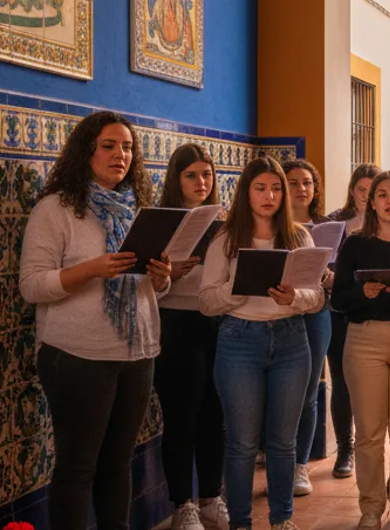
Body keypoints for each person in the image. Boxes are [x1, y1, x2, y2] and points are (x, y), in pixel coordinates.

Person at [20, 111, 172, 529]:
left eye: (127, 147)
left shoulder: (138, 209)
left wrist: (162, 277)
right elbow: (32, 285)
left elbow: (150, 287)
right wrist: (92, 269)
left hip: (136, 352)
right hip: (76, 355)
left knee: (117, 462)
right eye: (109, 145)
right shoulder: (57, 209)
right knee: (77, 468)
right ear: (86, 150)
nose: (120, 154)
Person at [200, 157, 325, 530]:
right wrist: (236, 291)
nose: (269, 195)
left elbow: (316, 296)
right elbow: (206, 303)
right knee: (241, 443)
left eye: (275, 188)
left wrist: (295, 299)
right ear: (246, 193)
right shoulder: (226, 240)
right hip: (239, 341)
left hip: (291, 341)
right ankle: (240, 523)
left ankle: (281, 520)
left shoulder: (299, 236)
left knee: (283, 442)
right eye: (260, 188)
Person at [332, 171, 390, 530]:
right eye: (381, 195)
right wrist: (363, 294)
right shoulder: (355, 244)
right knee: (369, 432)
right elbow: (338, 299)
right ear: (371, 202)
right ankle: (371, 506)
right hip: (363, 340)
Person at [156, 144, 229, 530]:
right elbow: (146, 284)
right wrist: (172, 274)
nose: (201, 182)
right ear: (176, 179)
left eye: (206, 174)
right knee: (182, 418)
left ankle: (211, 497)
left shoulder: (223, 223)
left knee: (215, 416)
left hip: (216, 322)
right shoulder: (162, 221)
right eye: (191, 175)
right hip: (176, 324)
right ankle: (182, 503)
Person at [325, 163, 382, 479]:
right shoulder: (335, 222)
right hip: (338, 314)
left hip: (371, 315)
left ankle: (368, 446)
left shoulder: (387, 223)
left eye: (373, 190)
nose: (366, 195)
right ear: (353, 191)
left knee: (370, 384)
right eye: (362, 189)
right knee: (342, 382)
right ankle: (345, 449)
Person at [282, 159, 333, 497]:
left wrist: (331, 276)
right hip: (280, 312)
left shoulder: (329, 227)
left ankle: (300, 464)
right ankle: (279, 460)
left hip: (316, 312)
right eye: (293, 182)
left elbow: (338, 273)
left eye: (307, 182)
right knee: (282, 391)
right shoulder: (272, 226)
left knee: (310, 390)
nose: (301, 188)